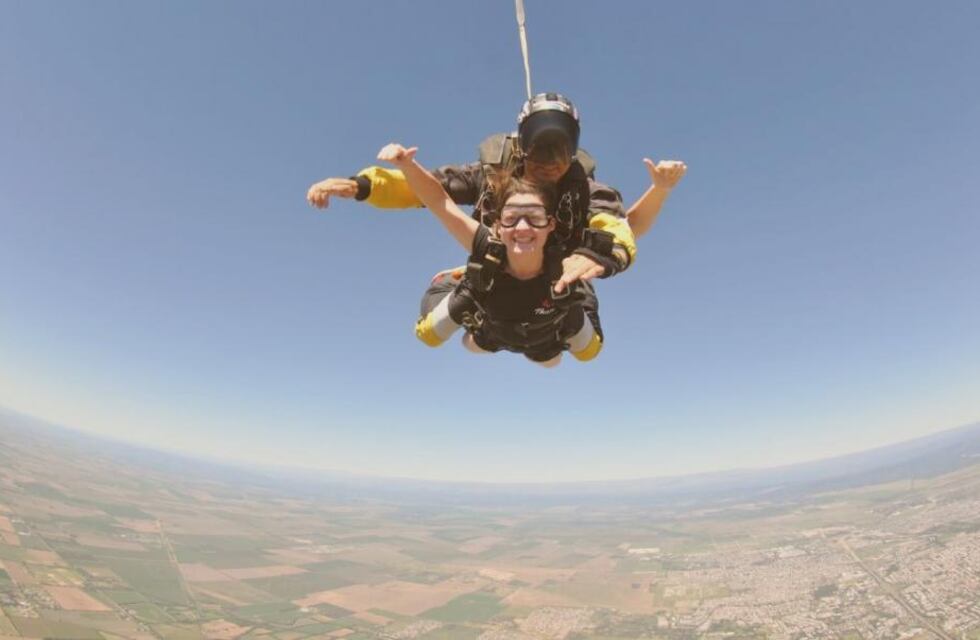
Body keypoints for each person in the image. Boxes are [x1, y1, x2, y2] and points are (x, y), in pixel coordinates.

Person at [307, 93, 636, 293]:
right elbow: (428, 189)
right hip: (498, 268)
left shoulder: (585, 189)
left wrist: (600, 257)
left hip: (557, 276)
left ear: (575, 153)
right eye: (540, 151)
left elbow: (614, 223)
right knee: (438, 326)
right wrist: (362, 185)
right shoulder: (490, 176)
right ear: (521, 149)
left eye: (561, 153)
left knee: (560, 353)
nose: (550, 165)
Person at [376, 143, 603, 367]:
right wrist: (408, 166)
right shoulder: (487, 248)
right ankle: (467, 280)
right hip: (492, 330)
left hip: (543, 337)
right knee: (434, 336)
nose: (523, 227)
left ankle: (546, 338)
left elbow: (629, 226)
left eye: (534, 217)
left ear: (550, 224)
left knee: (572, 355)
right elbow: (439, 201)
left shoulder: (564, 266)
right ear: (497, 226)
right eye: (511, 217)